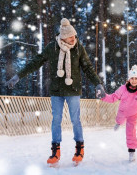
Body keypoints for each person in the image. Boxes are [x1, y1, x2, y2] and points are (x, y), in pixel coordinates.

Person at [6, 18, 103, 166]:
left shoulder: (78, 48)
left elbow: (88, 68)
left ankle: (79, 148)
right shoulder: (52, 48)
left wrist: (98, 84)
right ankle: (55, 151)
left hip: (73, 90)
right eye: (71, 36)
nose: (74, 38)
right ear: (63, 36)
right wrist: (18, 76)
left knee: (75, 120)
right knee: (56, 120)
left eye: (74, 36)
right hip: (56, 91)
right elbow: (36, 62)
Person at [96, 65, 137, 162]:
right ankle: (118, 123)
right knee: (119, 119)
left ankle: (132, 151)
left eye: (136, 78)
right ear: (129, 79)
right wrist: (103, 96)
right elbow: (113, 98)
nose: (134, 80)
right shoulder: (123, 88)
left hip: (133, 114)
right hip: (122, 111)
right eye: (132, 78)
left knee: (131, 132)